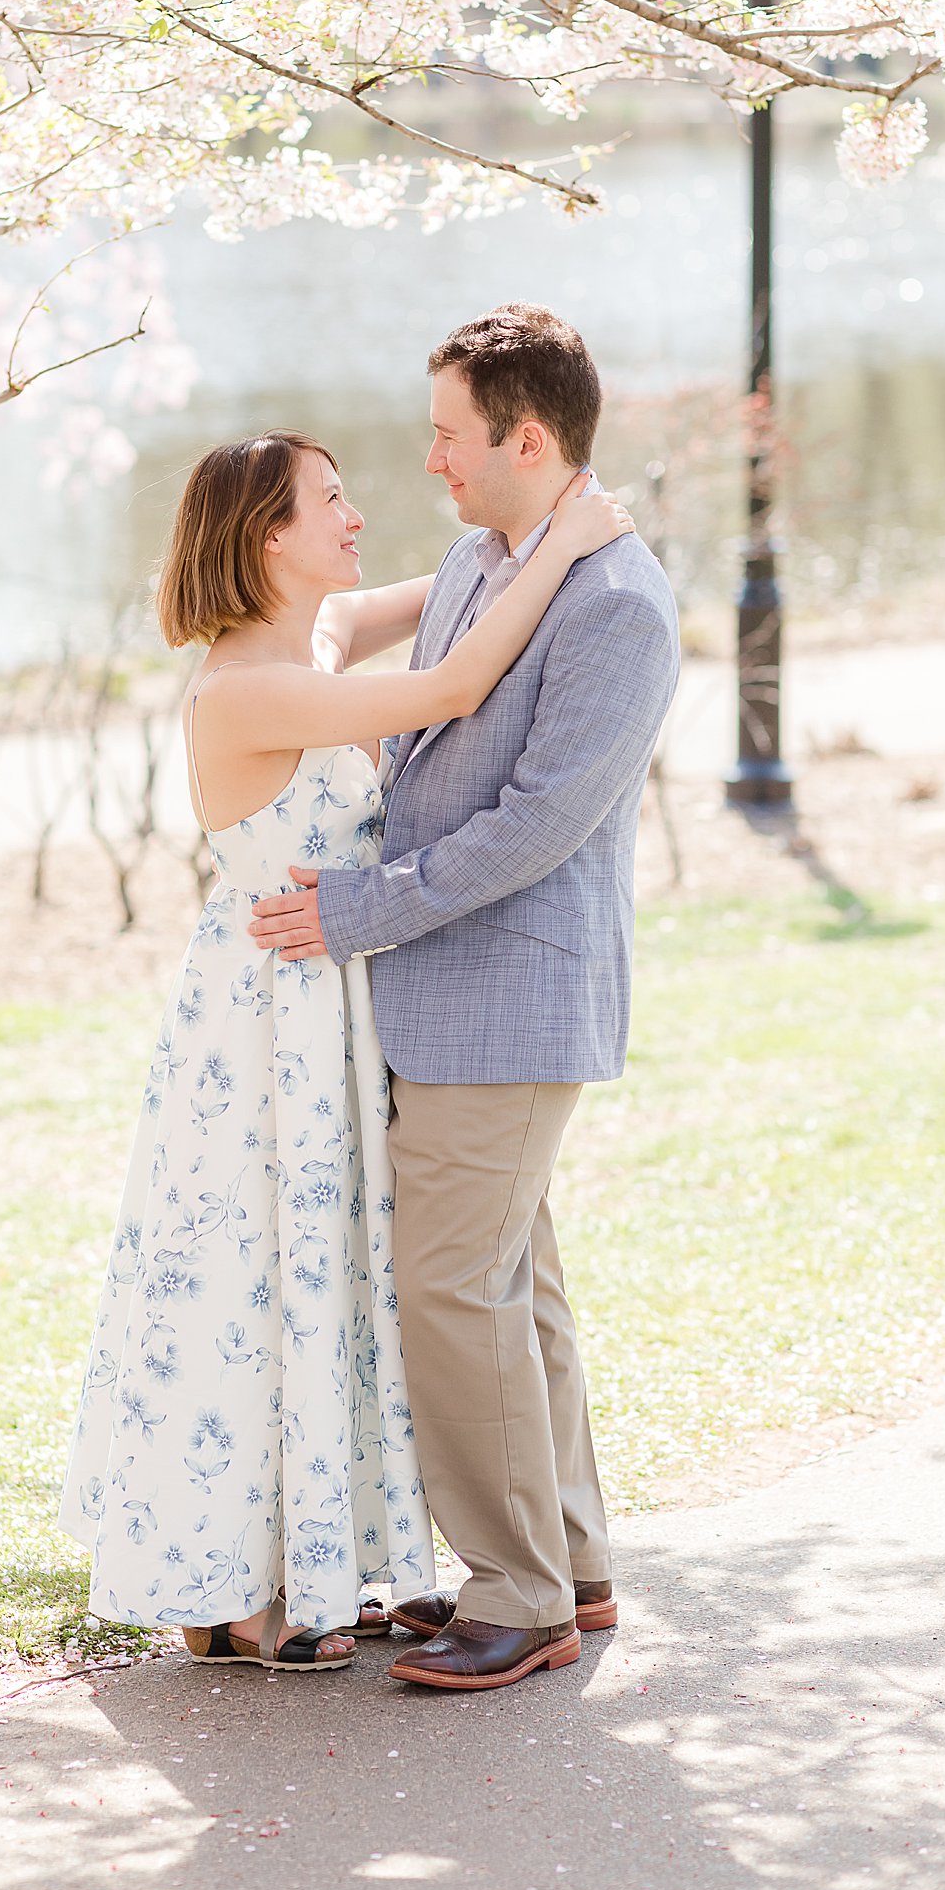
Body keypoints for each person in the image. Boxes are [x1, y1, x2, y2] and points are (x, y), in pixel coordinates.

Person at [58, 424, 633, 1673]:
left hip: (333, 999)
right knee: (251, 1282)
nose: (357, 514)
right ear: (268, 536)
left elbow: (463, 590)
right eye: (329, 501)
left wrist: (539, 525)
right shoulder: (246, 687)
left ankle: (291, 1570)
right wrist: (574, 537)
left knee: (320, 1281)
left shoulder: (312, 637)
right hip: (266, 1019)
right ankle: (227, 1589)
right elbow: (450, 684)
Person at [249, 306, 680, 1692]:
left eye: (448, 434)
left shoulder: (616, 605)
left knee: (452, 1286)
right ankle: (572, 1562)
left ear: (528, 438)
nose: (429, 460)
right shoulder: (483, 558)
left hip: (515, 995)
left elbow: (535, 828)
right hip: (452, 997)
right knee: (515, 1288)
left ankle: (516, 1593)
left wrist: (350, 913)